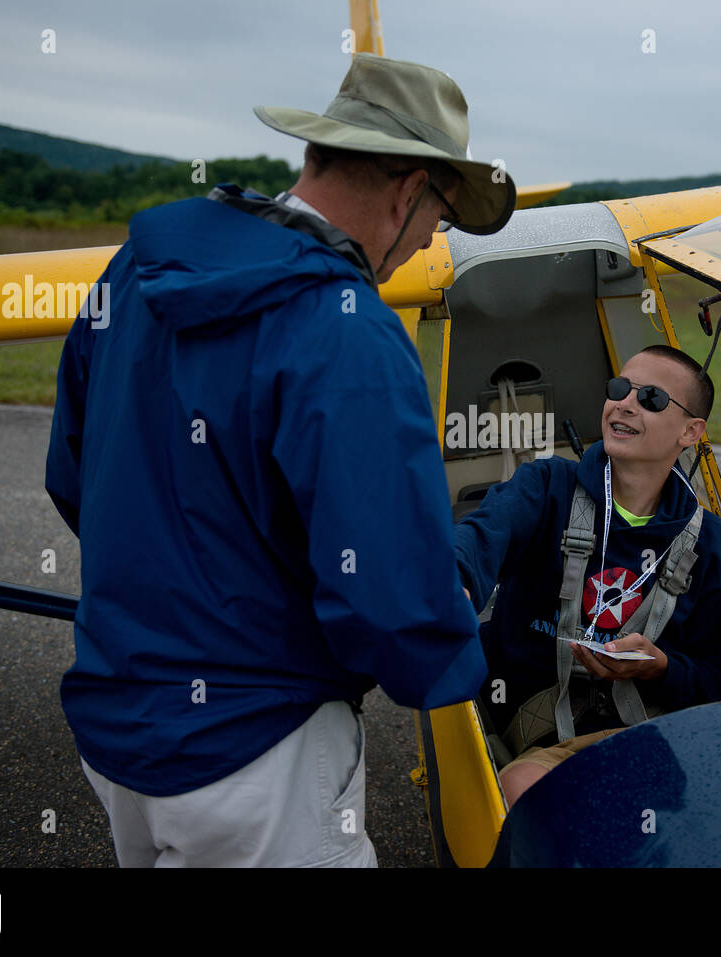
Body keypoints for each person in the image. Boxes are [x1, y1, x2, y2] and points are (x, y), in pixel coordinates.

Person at [45, 54, 515, 867]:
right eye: (440, 214)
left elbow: (74, 475)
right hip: (261, 758)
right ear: (409, 191)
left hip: (118, 727)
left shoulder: (133, 269)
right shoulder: (351, 331)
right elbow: (392, 601)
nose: (430, 239)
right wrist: (469, 664)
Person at [454, 346, 721, 806]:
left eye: (650, 398)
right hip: (542, 738)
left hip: (650, 738)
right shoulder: (546, 487)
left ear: (691, 431)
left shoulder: (709, 543)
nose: (624, 403)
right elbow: (479, 537)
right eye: (619, 389)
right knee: (530, 799)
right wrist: (454, 579)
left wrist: (663, 668)